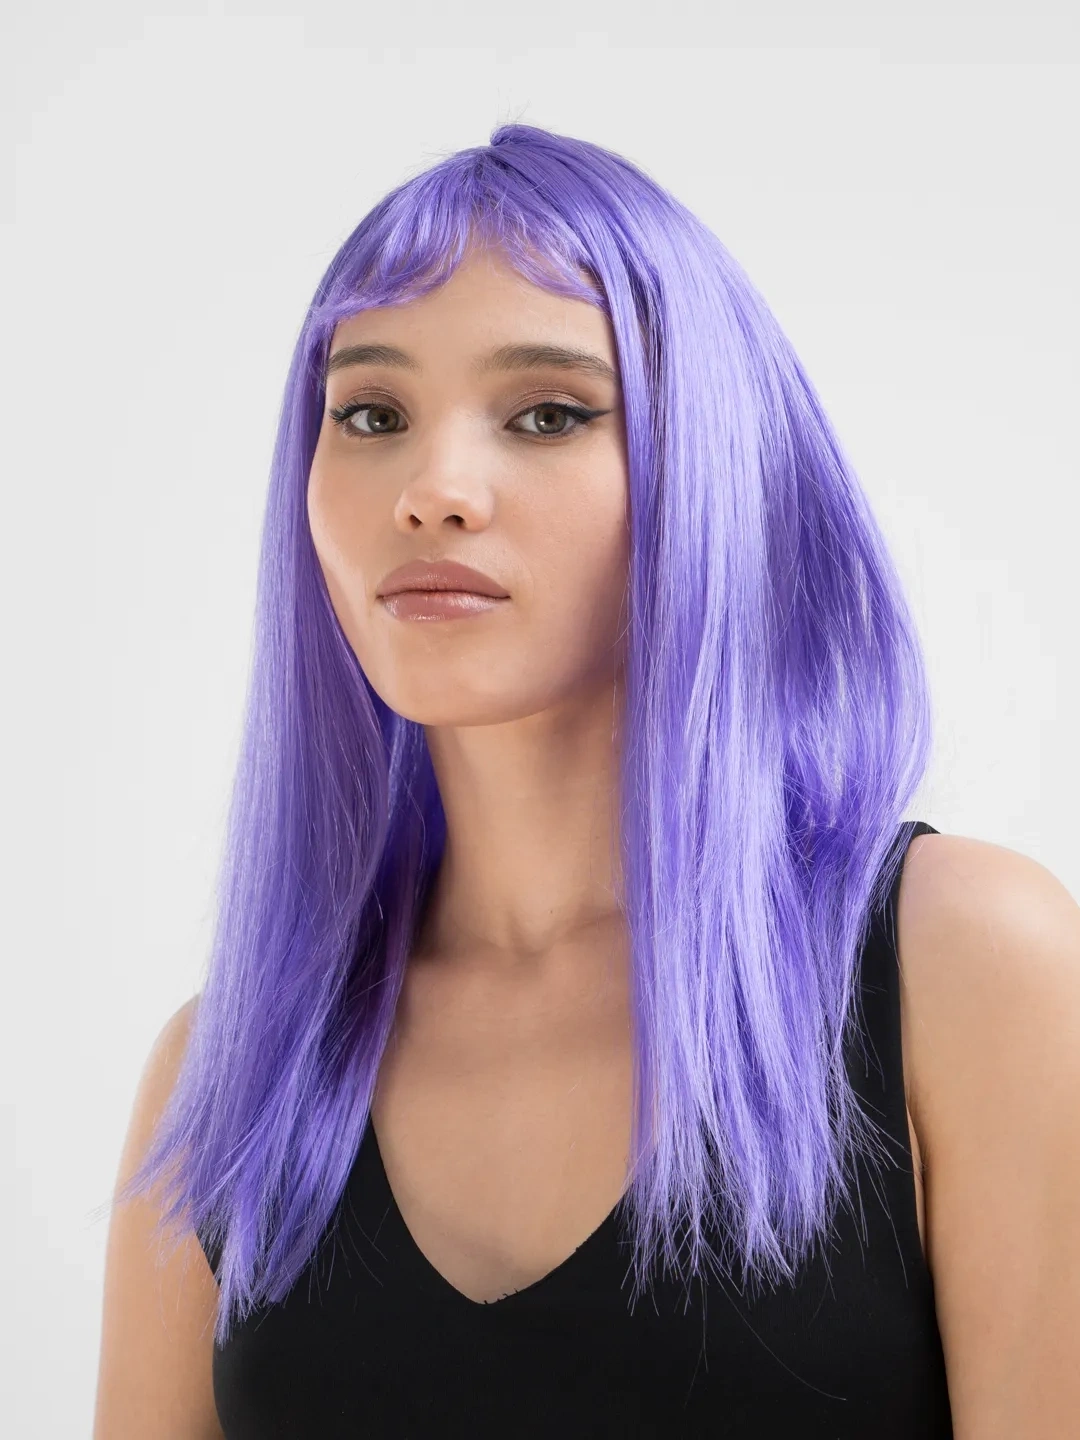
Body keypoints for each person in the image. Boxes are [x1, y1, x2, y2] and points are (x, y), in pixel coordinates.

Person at [94, 124, 1080, 1438]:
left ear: (708, 463)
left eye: (549, 413)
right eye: (372, 414)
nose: (434, 491)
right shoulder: (229, 1077)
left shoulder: (967, 968)